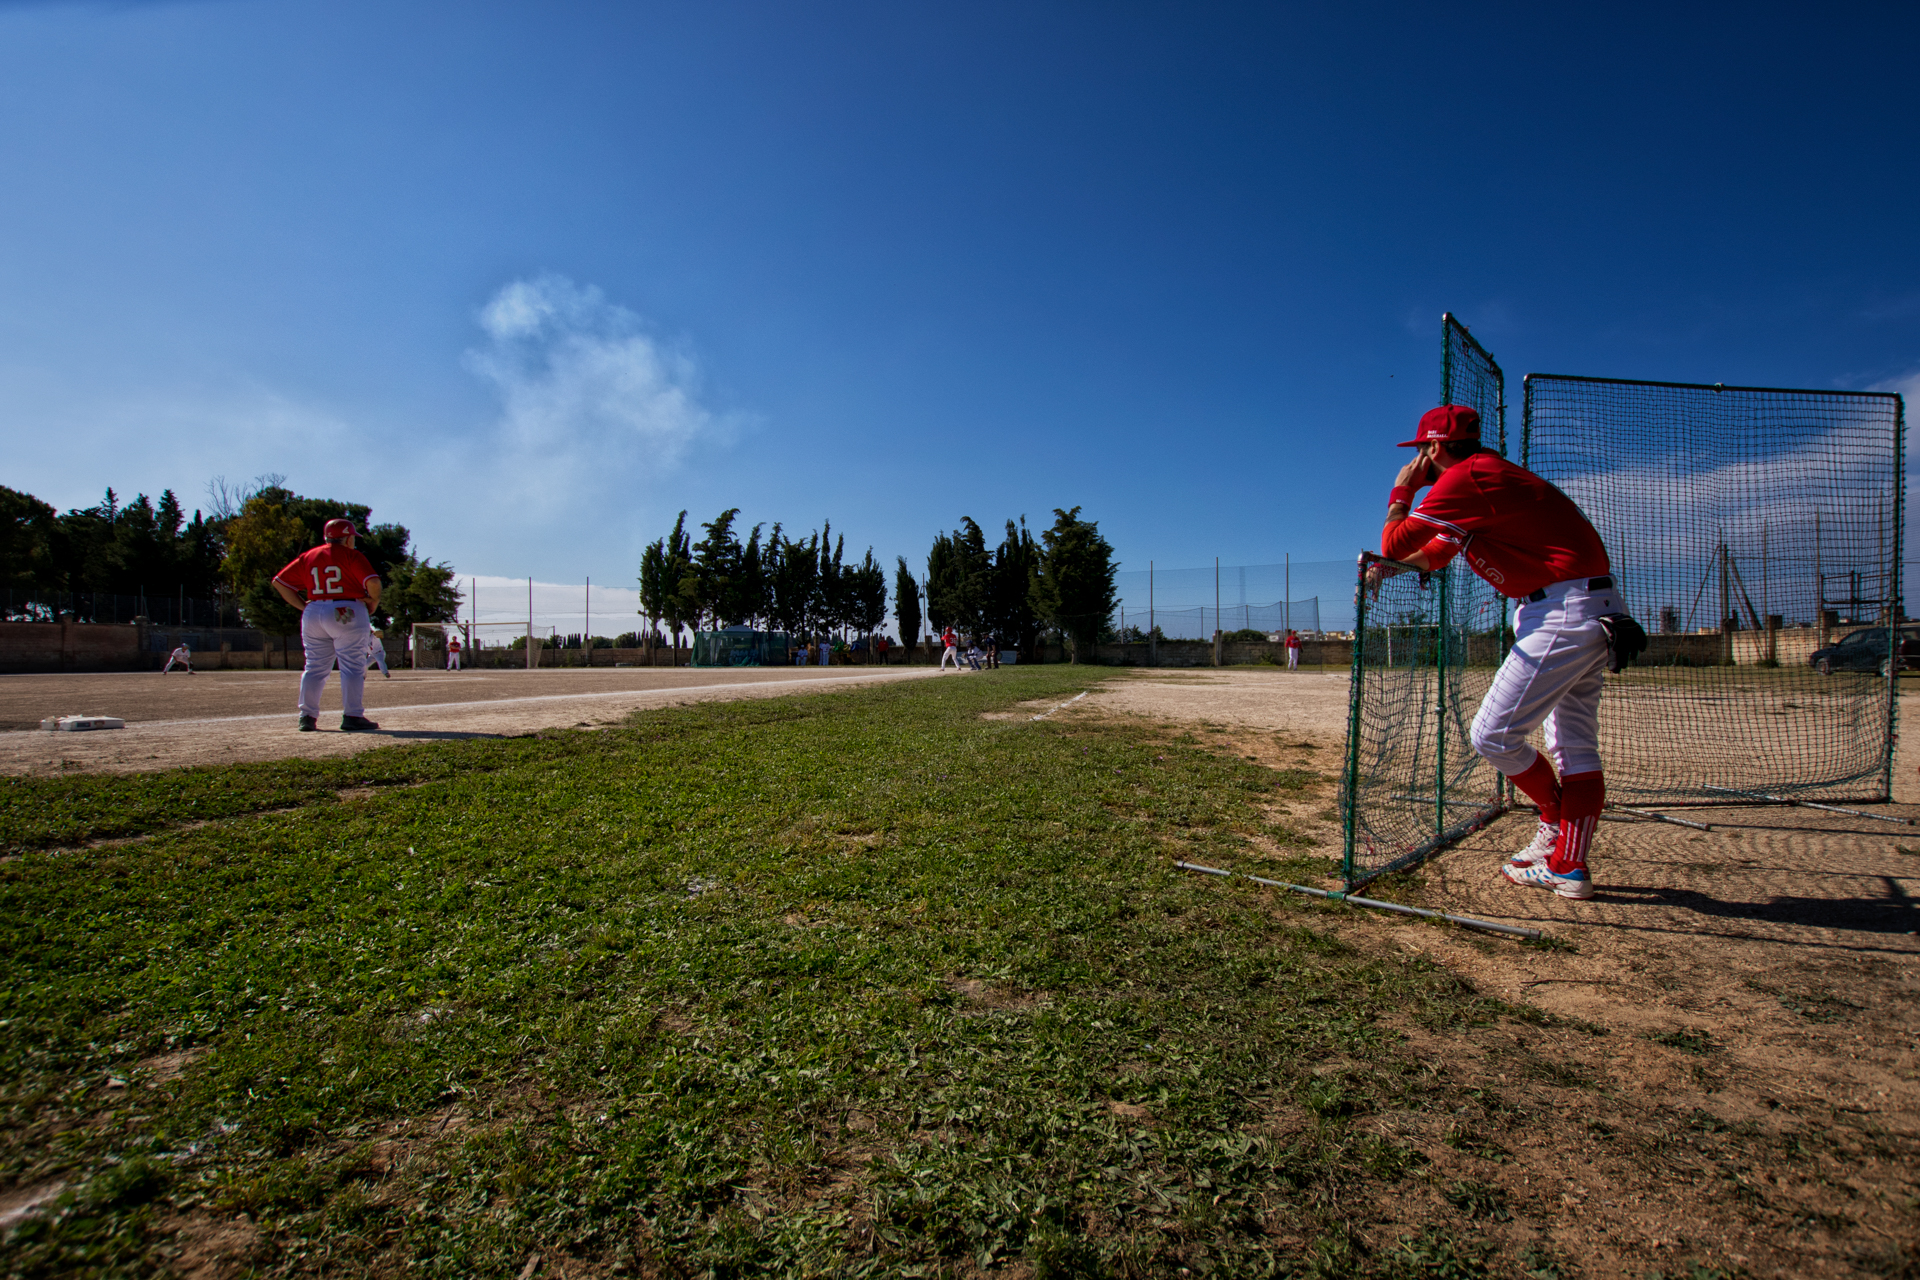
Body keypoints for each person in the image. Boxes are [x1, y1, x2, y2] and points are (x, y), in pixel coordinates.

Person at [1378, 404, 1627, 900]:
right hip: (1584, 608)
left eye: (1422, 451)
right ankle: (1568, 865)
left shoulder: (1466, 477)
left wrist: (1403, 489)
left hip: (1562, 612)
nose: (1419, 460)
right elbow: (1436, 552)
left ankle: (1554, 825)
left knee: (1492, 736)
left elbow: (1394, 542)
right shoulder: (1485, 478)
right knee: (1574, 747)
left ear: (1434, 446)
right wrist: (1395, 569)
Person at [271, 518, 383, 733]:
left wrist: (303, 606)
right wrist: (373, 600)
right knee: (352, 665)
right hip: (347, 609)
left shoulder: (309, 555)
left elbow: (279, 583)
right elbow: (374, 582)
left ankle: (307, 717)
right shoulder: (351, 555)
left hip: (314, 610)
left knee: (314, 666)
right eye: (353, 537)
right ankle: (352, 715)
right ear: (347, 538)